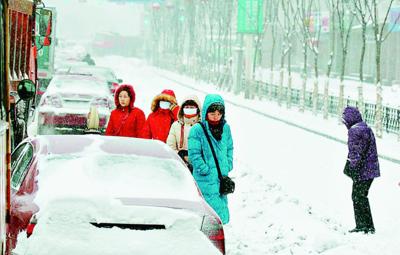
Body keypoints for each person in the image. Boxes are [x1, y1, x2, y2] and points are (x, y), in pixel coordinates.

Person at [188, 94, 233, 224]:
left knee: (219, 211)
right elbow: (194, 154)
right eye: (212, 112)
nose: (216, 115)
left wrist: (228, 164)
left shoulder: (226, 128)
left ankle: (215, 236)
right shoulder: (197, 129)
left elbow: (230, 148)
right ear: (206, 112)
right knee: (209, 212)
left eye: (219, 113)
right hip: (204, 178)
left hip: (221, 177)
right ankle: (208, 237)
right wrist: (204, 168)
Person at [342, 106, 380, 234]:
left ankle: (362, 226)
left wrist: (352, 168)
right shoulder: (365, 128)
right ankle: (368, 226)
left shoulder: (354, 131)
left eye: (345, 119)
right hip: (371, 169)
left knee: (357, 197)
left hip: (362, 170)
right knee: (361, 196)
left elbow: (355, 153)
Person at [167, 95, 202, 172]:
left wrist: (193, 160)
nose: (189, 109)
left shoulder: (202, 127)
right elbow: (170, 147)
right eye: (187, 107)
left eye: (192, 107)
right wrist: (181, 155)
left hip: (199, 168)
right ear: (182, 109)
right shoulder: (176, 125)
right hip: (179, 166)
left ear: (198, 109)